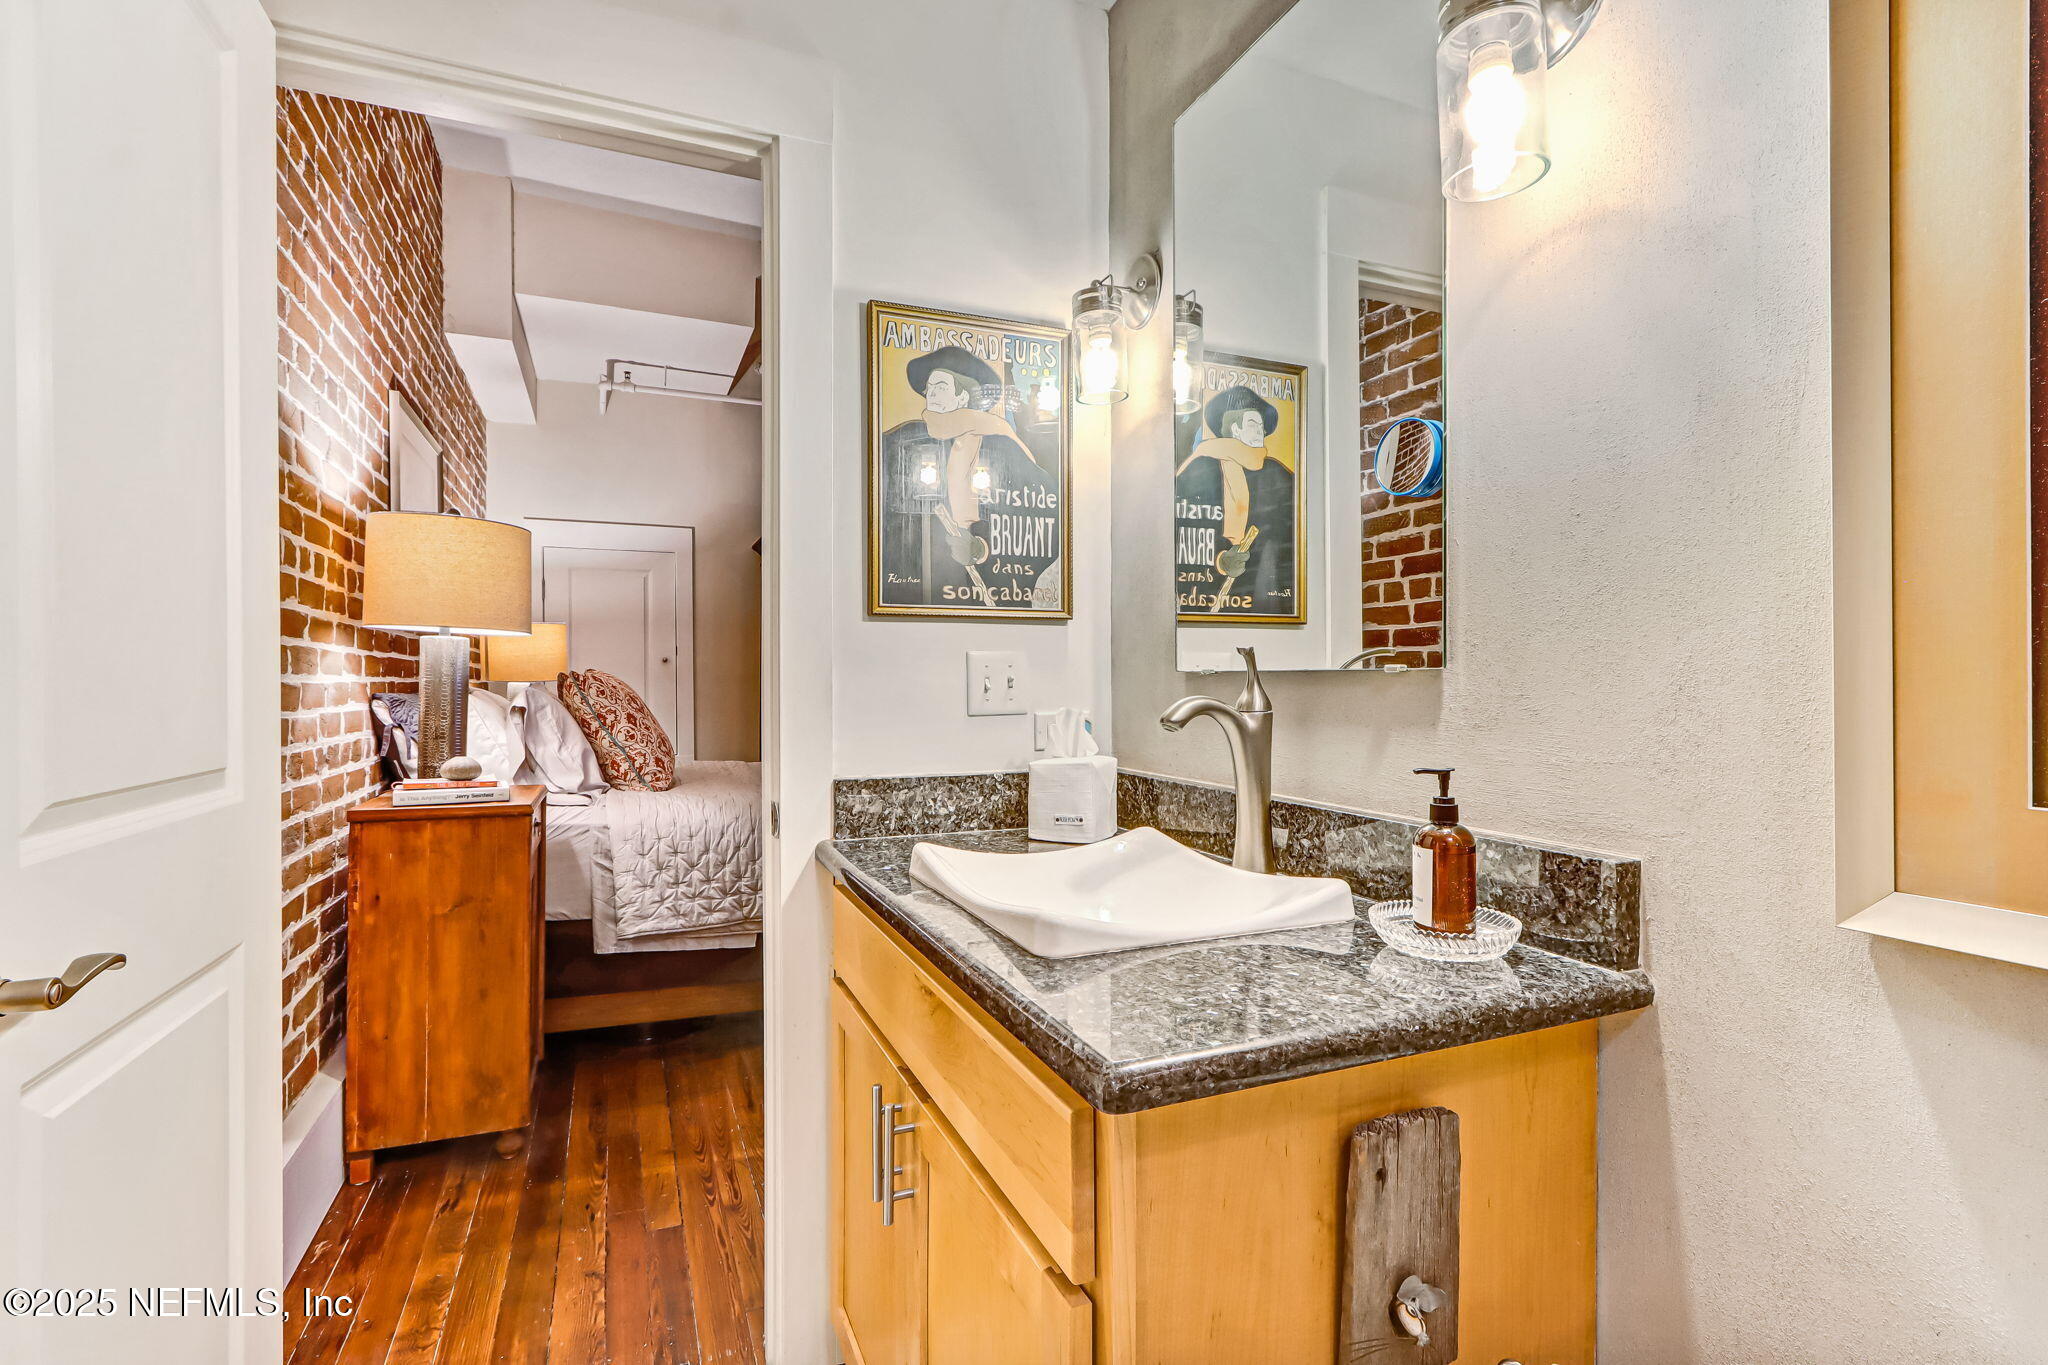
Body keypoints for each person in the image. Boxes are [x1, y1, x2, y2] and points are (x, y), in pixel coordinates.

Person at [877, 343, 1061, 611]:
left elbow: (1046, 518)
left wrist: (980, 548)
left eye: (941, 385)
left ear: (963, 396)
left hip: (981, 585)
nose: (931, 394)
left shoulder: (1001, 445)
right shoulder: (903, 439)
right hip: (916, 583)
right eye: (929, 388)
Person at [1174, 384, 1296, 616]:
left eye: (1261, 425)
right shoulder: (1201, 468)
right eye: (1253, 424)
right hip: (1211, 591)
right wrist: (1221, 560)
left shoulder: (1277, 473)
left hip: (1265, 589)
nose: (1260, 431)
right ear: (1234, 428)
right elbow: (1183, 533)